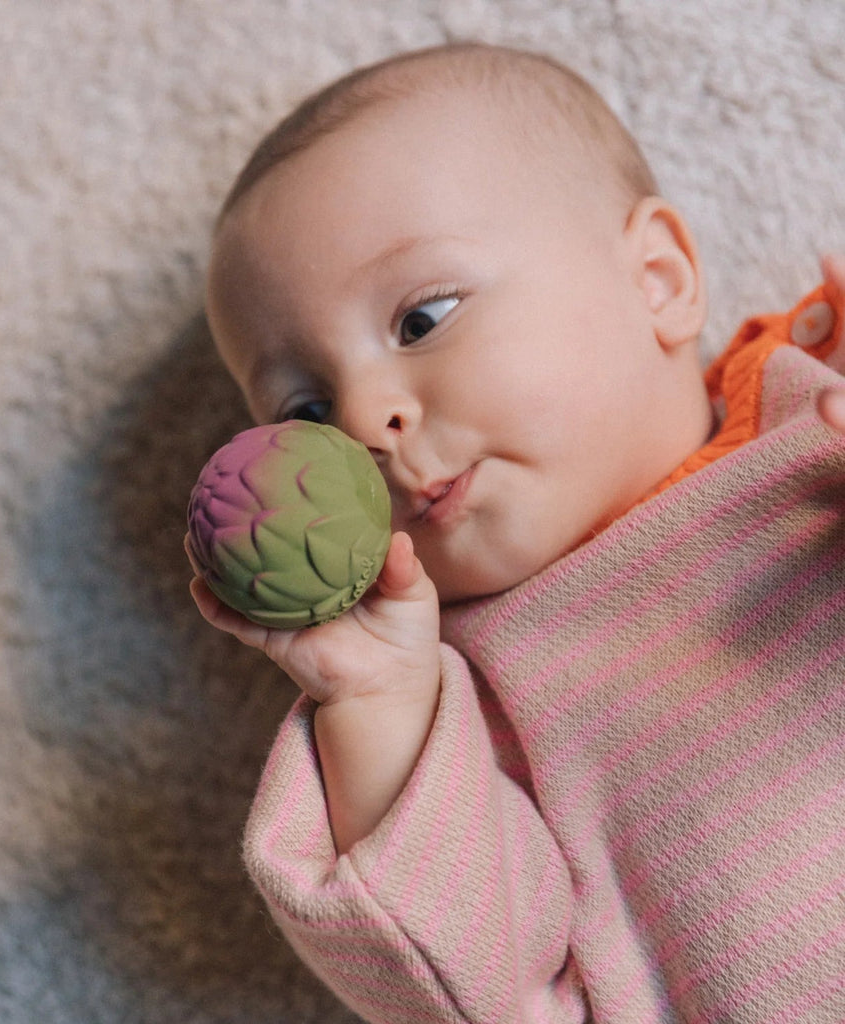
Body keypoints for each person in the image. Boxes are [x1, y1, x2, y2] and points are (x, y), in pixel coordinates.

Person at [188, 42, 845, 1023]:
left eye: (422, 319)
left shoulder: (814, 436)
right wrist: (376, 705)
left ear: (657, 280)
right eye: (307, 409)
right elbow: (475, 993)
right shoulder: (456, 712)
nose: (367, 419)